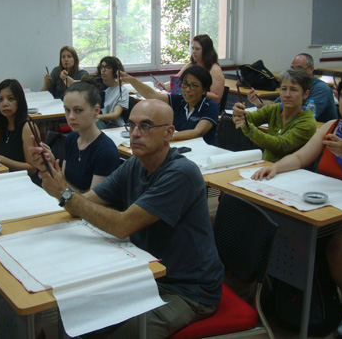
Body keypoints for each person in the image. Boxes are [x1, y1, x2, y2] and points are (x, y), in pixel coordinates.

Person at [30, 99, 224, 339]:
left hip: (187, 289)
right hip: (148, 273)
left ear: (169, 133)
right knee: (81, 317)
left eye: (145, 126)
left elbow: (122, 226)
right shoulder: (134, 164)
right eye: (131, 125)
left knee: (123, 334)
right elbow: (81, 205)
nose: (134, 134)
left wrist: (65, 193)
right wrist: (56, 177)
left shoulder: (181, 174)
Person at [251, 73, 342, 339]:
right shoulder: (331, 126)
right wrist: (275, 167)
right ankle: (290, 294)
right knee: (287, 231)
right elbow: (301, 157)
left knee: (339, 250)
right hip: (329, 205)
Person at [232, 68, 318, 162]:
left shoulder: (308, 123)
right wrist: (238, 114)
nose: (287, 95)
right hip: (266, 165)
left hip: (291, 172)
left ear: (305, 94)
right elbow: (248, 118)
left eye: (293, 90)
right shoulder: (274, 109)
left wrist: (248, 128)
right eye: (284, 89)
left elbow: (281, 145)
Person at [121, 65, 219, 145]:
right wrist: (132, 80)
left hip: (203, 150)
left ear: (204, 90)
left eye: (194, 86)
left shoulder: (210, 106)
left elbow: (197, 132)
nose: (187, 90)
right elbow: (152, 95)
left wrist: (165, 137)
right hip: (179, 145)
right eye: (184, 84)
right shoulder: (179, 100)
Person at [57, 76, 120, 192]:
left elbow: (91, 202)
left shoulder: (105, 151)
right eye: (67, 110)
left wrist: (59, 184)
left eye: (78, 110)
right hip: (71, 204)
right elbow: (64, 180)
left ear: (96, 110)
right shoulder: (71, 139)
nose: (71, 117)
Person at [248, 53, 338, 122]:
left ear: (311, 69)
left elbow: (307, 114)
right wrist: (260, 103)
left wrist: (277, 108)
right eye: (292, 68)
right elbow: (277, 105)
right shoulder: (293, 85)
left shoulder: (321, 88)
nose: (295, 72)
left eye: (299, 68)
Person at [156, 34, 225, 103]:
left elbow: (217, 98)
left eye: (197, 49)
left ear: (206, 51)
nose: (194, 52)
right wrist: (163, 85)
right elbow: (176, 83)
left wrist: (196, 91)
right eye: (193, 48)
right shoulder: (191, 65)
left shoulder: (214, 69)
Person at [95, 56, 129, 128]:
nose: (103, 70)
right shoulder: (95, 84)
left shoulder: (122, 90)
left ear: (116, 71)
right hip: (97, 120)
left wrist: (95, 117)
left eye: (107, 67)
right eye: (101, 67)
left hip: (113, 124)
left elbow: (115, 115)